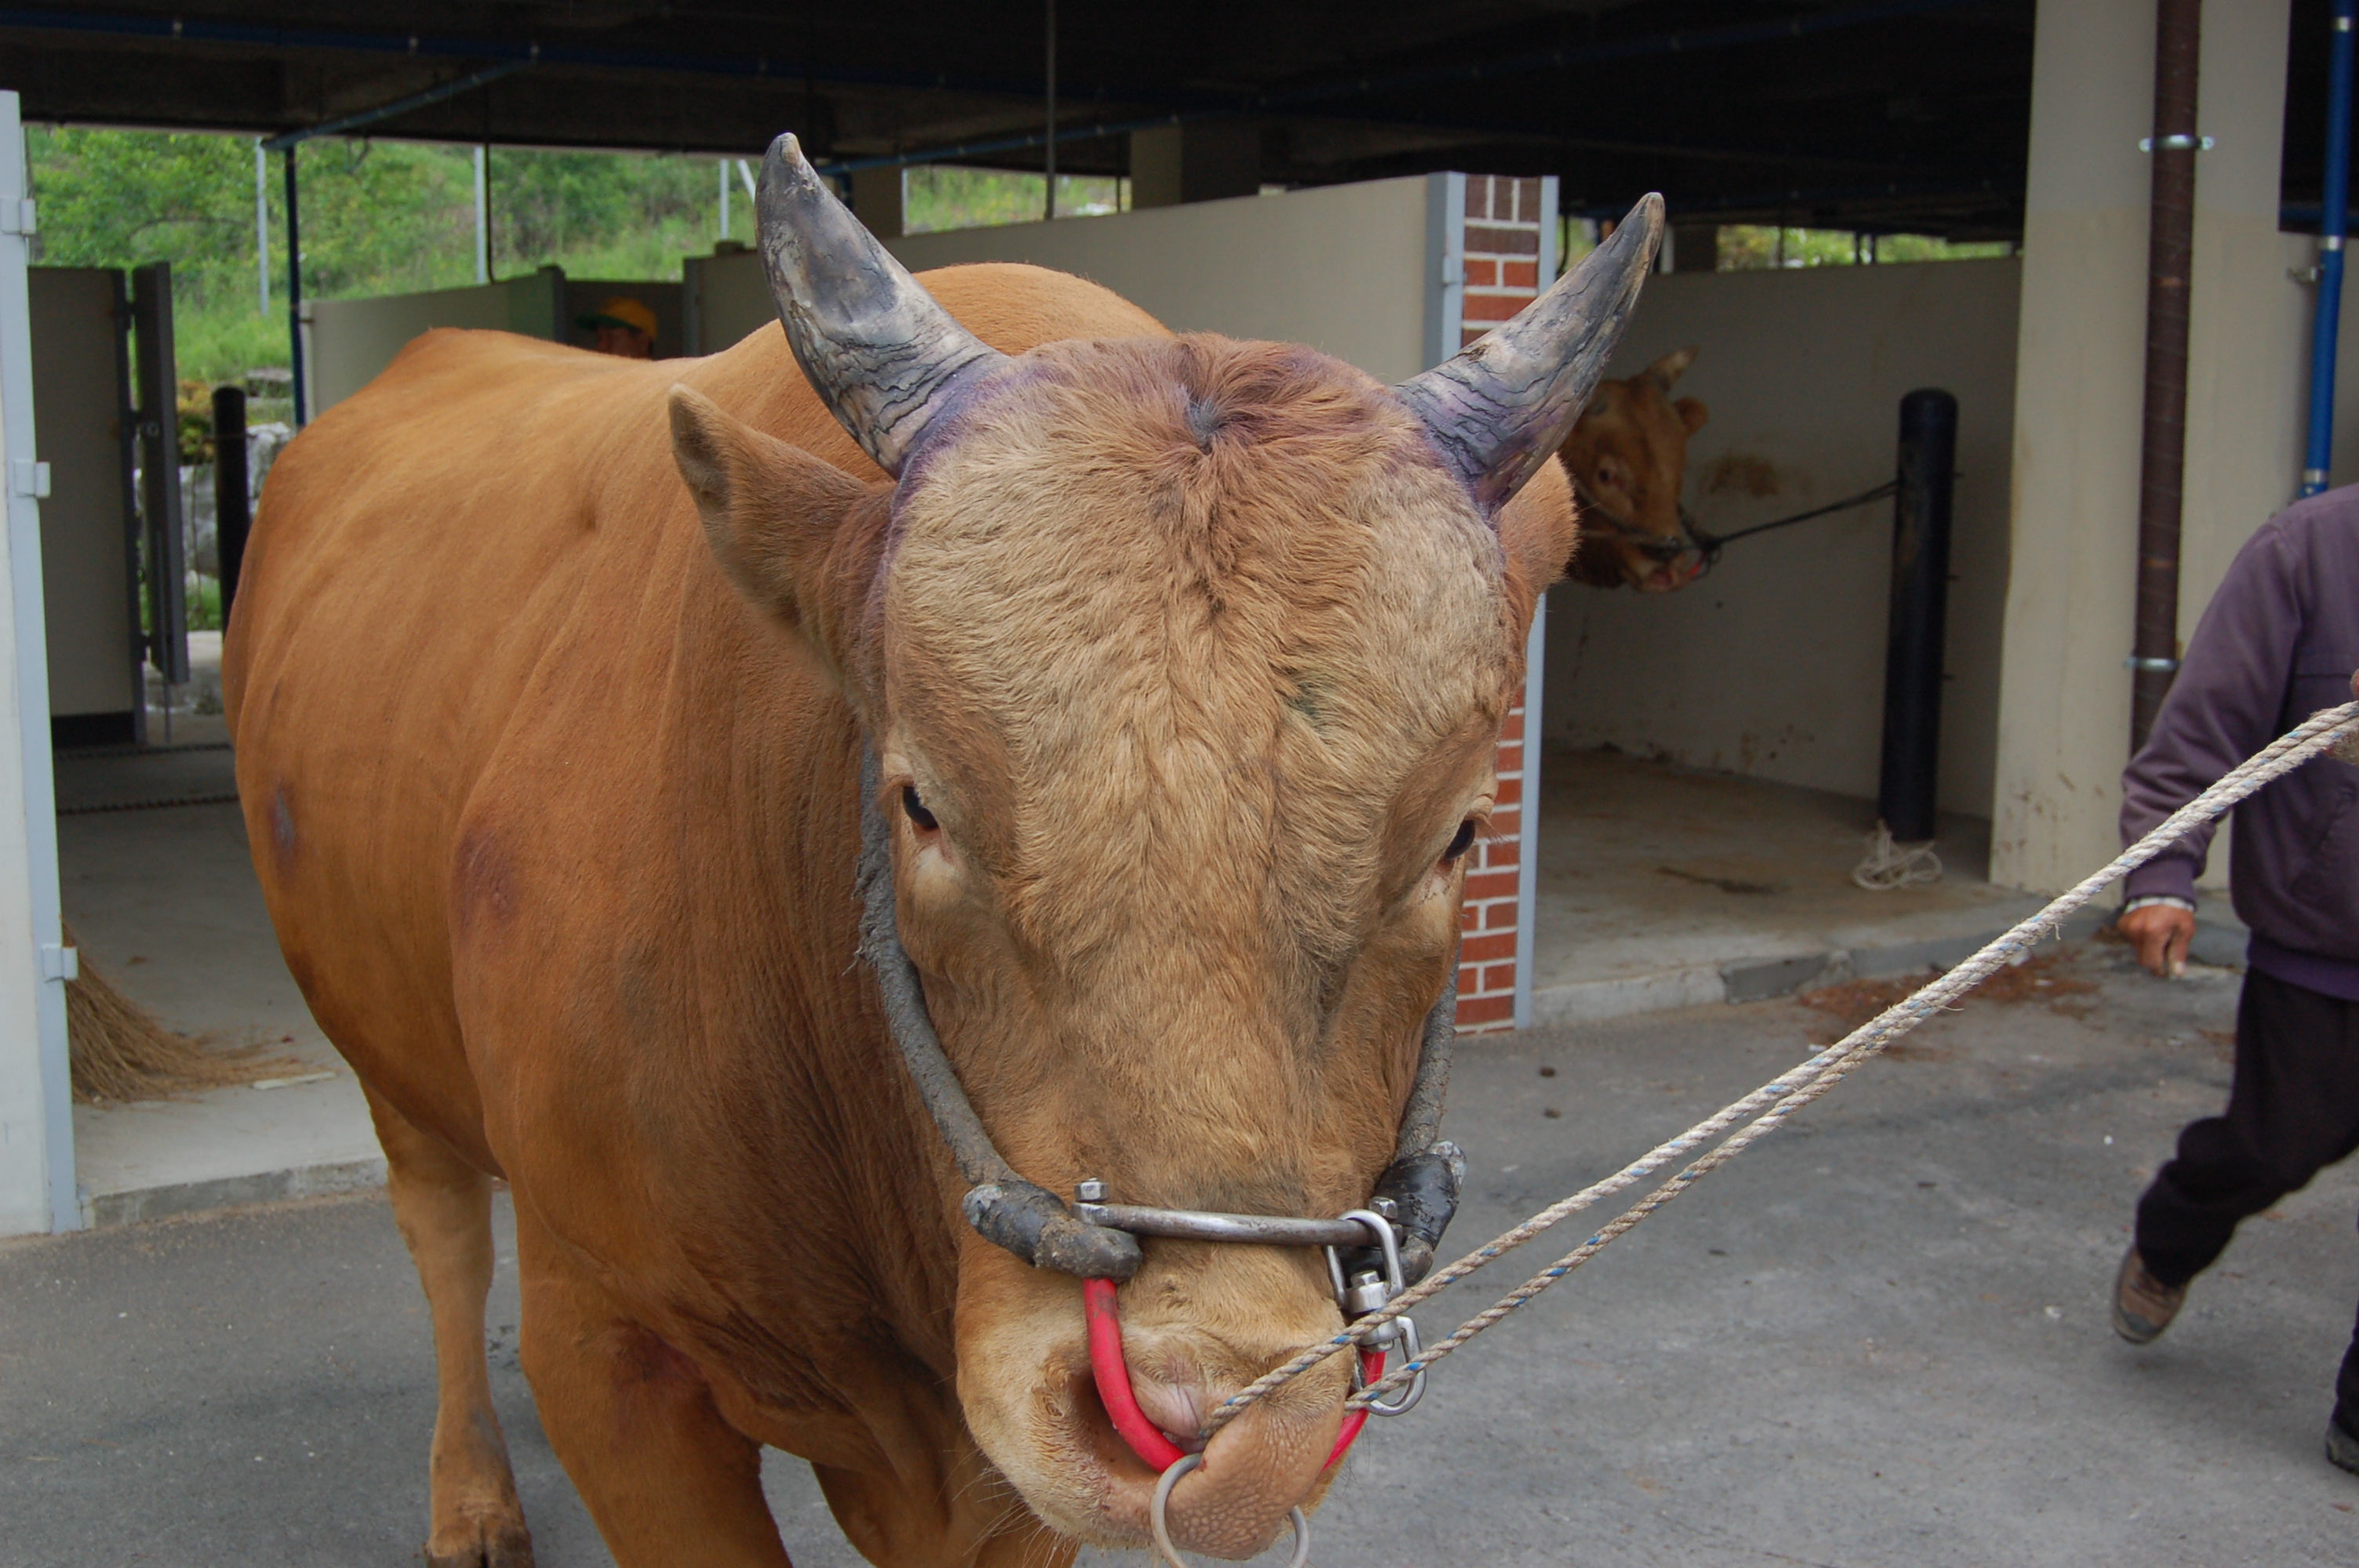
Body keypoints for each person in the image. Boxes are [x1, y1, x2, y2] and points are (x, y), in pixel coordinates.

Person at [2110, 485, 2359, 1475]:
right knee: (2269, 1148)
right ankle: (2173, 1232)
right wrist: (2163, 874)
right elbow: (2199, 734)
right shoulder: (2306, 550)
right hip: (2321, 951)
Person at [577, 296, 658, 359]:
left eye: (611, 337)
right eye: (599, 339)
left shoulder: (663, 379)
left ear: (642, 342)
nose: (601, 346)